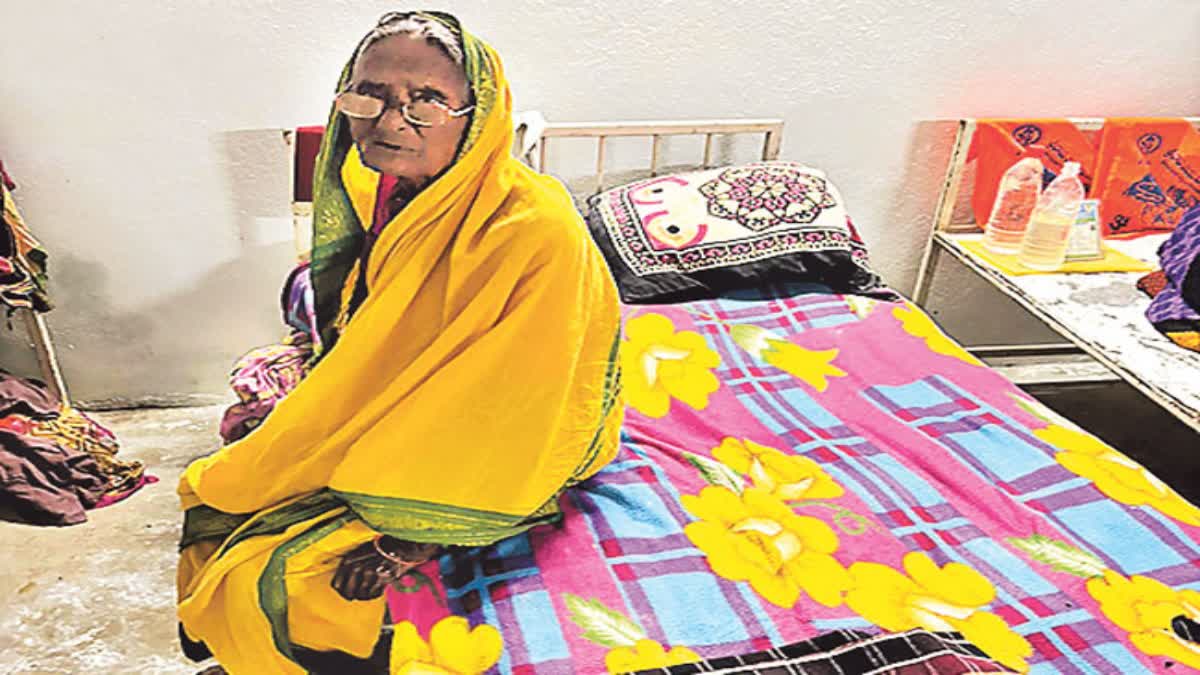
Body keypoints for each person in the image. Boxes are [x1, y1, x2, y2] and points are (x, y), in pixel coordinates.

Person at [176, 11, 624, 673]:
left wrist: (409, 537)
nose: (390, 122)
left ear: (479, 115)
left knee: (281, 575)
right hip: (424, 403)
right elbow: (379, 326)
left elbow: (519, 399)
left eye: (428, 102)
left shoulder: (534, 229)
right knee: (222, 497)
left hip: (509, 435)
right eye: (370, 94)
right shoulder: (387, 190)